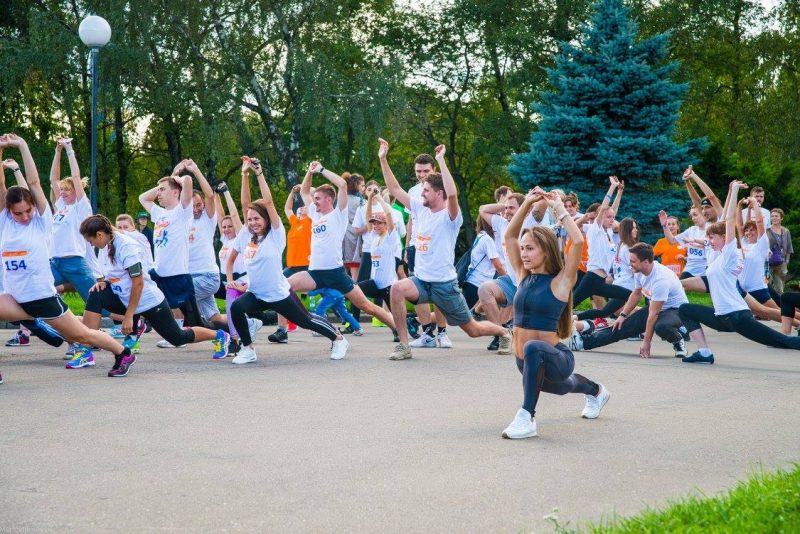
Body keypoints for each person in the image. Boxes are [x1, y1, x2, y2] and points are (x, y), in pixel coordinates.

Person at [0, 133, 133, 378]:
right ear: (8, 211)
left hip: (41, 296)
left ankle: (123, 352)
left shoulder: (40, 222)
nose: (25, 216)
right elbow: (0, 186)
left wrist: (22, 145)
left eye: (28, 210)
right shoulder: (4, 222)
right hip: (15, 297)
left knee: (82, 335)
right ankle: (38, 327)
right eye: (18, 213)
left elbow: (34, 182)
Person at [379, 139, 512, 360]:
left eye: (426, 191)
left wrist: (441, 160)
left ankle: (504, 332)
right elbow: (394, 189)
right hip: (422, 281)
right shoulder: (420, 209)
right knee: (396, 289)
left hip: (445, 285)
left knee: (472, 330)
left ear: (438, 193)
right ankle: (404, 345)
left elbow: (452, 194)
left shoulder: (450, 217)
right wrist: (383, 158)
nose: (422, 194)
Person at [501, 188, 608, 440]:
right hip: (525, 361)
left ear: (546, 251)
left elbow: (578, 242)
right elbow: (509, 236)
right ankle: (596, 391)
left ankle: (526, 417)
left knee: (534, 349)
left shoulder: (561, 281)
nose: (524, 254)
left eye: (530, 249)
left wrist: (558, 207)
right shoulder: (523, 276)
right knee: (566, 386)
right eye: (523, 249)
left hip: (555, 357)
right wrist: (527, 203)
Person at [226, 162, 350, 364]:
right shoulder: (247, 235)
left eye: (257, 219)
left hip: (278, 293)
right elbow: (245, 203)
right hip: (257, 293)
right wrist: (244, 174)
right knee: (237, 308)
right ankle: (248, 349)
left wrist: (259, 173)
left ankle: (338, 339)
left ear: (266, 219)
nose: (253, 222)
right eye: (250, 219)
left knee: (306, 320)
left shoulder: (275, 234)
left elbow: (268, 202)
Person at [77, 215, 231, 374]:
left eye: (90, 240)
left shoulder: (126, 246)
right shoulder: (106, 245)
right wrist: (104, 282)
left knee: (178, 338)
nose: (91, 244)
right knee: (96, 294)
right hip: (125, 297)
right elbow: (116, 273)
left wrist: (129, 316)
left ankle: (219, 335)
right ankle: (85, 351)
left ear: (100, 234)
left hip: (148, 300)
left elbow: (138, 283)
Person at [678, 180, 800, 364]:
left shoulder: (729, 254)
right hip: (721, 317)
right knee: (685, 310)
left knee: (782, 341)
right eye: (708, 237)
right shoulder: (717, 256)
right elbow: (722, 219)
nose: (709, 240)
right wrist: (730, 193)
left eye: (712, 237)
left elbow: (729, 221)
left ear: (724, 238)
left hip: (737, 316)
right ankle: (704, 353)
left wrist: (734, 191)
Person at [568, 242, 689, 358]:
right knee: (621, 326)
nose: (629, 264)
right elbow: (636, 293)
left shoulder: (660, 279)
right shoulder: (639, 271)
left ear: (646, 262)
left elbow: (653, 314)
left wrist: (646, 342)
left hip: (677, 310)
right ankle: (583, 342)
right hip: (657, 308)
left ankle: (678, 339)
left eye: (633, 261)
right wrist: (622, 315)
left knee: (661, 327)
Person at [138, 169, 200, 339]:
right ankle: (135, 333)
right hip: (158, 273)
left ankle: (228, 333)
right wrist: (162, 185)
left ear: (175, 192)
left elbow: (188, 180)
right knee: (139, 296)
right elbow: (143, 198)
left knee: (197, 323)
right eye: (158, 190)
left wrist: (174, 178)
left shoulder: (182, 211)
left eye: (162, 190)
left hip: (178, 276)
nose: (158, 193)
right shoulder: (159, 213)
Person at [214, 179, 262, 354]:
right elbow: (220, 215)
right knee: (226, 308)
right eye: (224, 227)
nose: (226, 229)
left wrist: (226, 192)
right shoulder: (225, 239)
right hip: (225, 280)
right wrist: (215, 195)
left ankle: (236, 340)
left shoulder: (241, 237)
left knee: (230, 307)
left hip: (240, 279)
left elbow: (233, 214)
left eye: (230, 226)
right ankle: (250, 324)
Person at [180, 159, 226, 329]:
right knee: (214, 317)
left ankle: (179, 334)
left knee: (179, 296)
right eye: (192, 206)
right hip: (191, 275)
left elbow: (210, 195)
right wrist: (176, 175)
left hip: (207, 277)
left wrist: (195, 170)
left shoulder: (207, 218)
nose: (196, 209)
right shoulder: (183, 220)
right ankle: (247, 325)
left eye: (199, 205)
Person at [571, 176, 628, 308]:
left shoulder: (609, 231)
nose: (612, 220)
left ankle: (619, 316)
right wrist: (612, 187)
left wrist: (620, 192)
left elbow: (613, 210)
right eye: (608, 217)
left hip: (602, 280)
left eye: (613, 218)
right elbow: (604, 209)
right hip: (592, 278)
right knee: (571, 305)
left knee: (628, 295)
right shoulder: (595, 229)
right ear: (601, 217)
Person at [355, 190, 402, 341]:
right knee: (354, 290)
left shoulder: (390, 237)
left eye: (379, 223)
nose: (375, 225)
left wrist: (380, 198)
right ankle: (354, 323)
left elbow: (388, 213)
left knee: (398, 316)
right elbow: (367, 217)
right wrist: (369, 199)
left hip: (388, 285)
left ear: (386, 224)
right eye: (374, 223)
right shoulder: (373, 236)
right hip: (376, 283)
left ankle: (405, 330)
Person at [575, 217, 638, 321]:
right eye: (633, 228)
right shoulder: (629, 248)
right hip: (626, 286)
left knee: (605, 312)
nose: (636, 230)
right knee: (632, 300)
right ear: (627, 230)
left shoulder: (620, 245)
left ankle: (574, 317)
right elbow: (634, 270)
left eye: (636, 228)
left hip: (619, 284)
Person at [463, 217, 504, 309]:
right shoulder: (487, 239)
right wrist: (510, 282)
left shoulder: (480, 236)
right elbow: (498, 266)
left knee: (468, 315)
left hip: (472, 283)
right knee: (469, 316)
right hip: (478, 285)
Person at [767, 208, 793, 294]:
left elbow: (789, 247)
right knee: (767, 287)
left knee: (780, 289)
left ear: (781, 218)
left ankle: (780, 302)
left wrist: (786, 262)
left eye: (776, 216)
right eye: (772, 216)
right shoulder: (766, 230)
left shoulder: (786, 231)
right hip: (767, 262)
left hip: (781, 263)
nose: (774, 218)